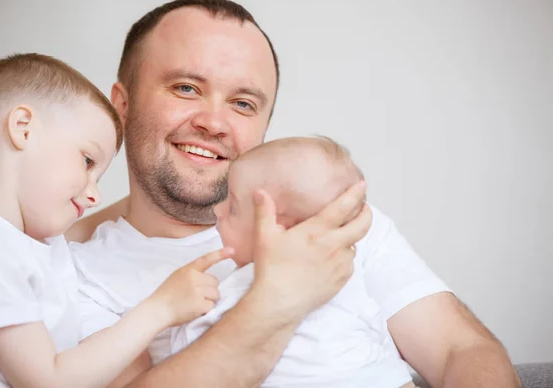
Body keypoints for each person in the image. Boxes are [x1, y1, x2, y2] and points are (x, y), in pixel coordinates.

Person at [67, 0, 521, 388]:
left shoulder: (332, 219)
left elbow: (460, 350)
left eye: (243, 103)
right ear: (121, 107)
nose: (214, 122)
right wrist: (280, 299)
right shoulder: (69, 266)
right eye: (187, 88)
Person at [0, 53, 233, 388]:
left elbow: (100, 355)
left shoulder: (28, 244)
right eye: (87, 161)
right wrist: (161, 308)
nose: (95, 196)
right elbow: (48, 381)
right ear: (23, 129)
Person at [170, 135, 418, 388]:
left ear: (279, 231)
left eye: (232, 207)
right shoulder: (349, 280)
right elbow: (381, 348)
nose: (217, 210)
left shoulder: (243, 288)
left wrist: (175, 318)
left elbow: (189, 350)